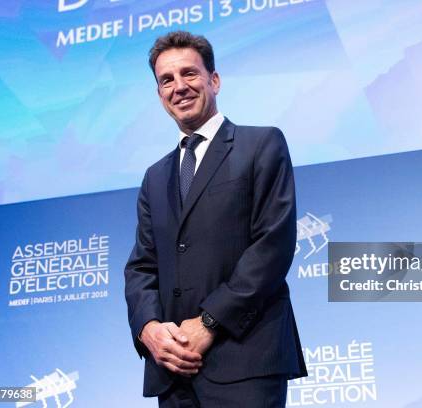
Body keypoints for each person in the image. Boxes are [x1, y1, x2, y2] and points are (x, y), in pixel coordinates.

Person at [124, 30, 307, 407]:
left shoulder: (261, 144)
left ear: (215, 80)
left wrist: (210, 321)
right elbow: (142, 267)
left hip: (245, 359)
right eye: (166, 80)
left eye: (189, 74)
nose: (179, 87)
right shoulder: (154, 177)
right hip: (174, 371)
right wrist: (149, 330)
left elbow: (272, 245)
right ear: (160, 95)